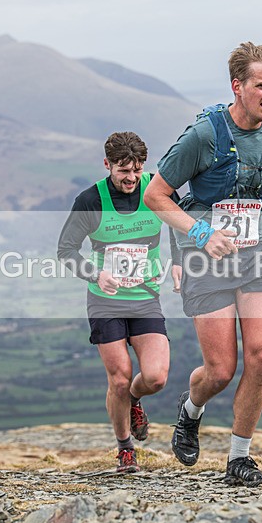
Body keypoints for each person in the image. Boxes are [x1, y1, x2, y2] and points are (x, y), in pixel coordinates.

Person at [144, 42, 262, 487]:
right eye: (261, 86)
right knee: (220, 371)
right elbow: (156, 195)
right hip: (206, 259)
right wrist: (201, 234)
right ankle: (191, 410)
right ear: (238, 86)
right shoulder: (204, 136)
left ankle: (239, 458)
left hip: (259, 251)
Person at [58, 131, 181, 473]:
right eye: (123, 171)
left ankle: (135, 401)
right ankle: (125, 448)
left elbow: (182, 226)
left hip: (145, 298)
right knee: (120, 380)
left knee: (155, 377)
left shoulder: (156, 189)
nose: (131, 178)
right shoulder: (90, 200)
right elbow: (65, 250)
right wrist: (95, 275)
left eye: (137, 170)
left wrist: (178, 262)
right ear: (107, 165)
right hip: (105, 301)